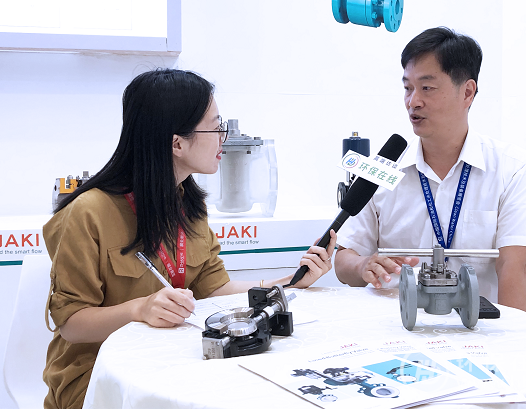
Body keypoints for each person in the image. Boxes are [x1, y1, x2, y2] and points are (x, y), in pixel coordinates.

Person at [42, 68, 337, 409]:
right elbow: (72, 324)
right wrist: (139, 309)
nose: (224, 137)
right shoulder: (88, 212)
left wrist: (290, 281)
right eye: (215, 126)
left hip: (172, 359)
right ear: (177, 143)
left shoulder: (188, 202)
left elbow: (215, 288)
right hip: (100, 378)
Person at [334, 27, 526, 312]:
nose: (413, 102)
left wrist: (510, 336)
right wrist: (363, 265)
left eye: (427, 88)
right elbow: (343, 259)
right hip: (394, 327)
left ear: (467, 92)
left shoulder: (512, 169)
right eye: (408, 88)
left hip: (476, 328)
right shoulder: (381, 170)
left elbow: (516, 267)